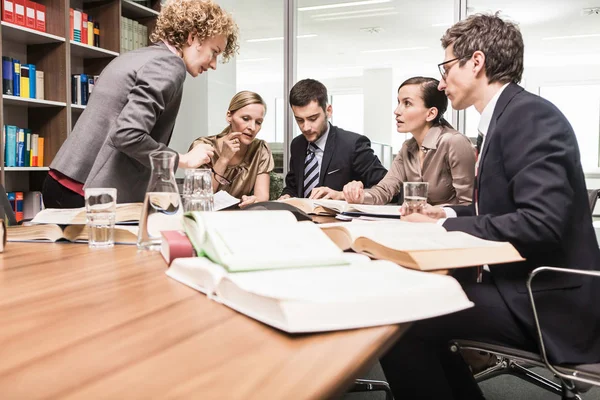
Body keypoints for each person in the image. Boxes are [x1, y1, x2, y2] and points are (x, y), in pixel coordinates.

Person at [380, 13, 600, 400]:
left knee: (403, 316)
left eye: (446, 67)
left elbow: (540, 224)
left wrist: (446, 229)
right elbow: (502, 210)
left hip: (546, 300)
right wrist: (445, 214)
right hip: (523, 285)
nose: (442, 81)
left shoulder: (529, 116)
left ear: (476, 62)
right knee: (414, 296)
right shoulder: (505, 117)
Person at [43, 0, 239, 207]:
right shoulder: (169, 66)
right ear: (193, 37)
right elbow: (127, 134)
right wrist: (183, 159)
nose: (214, 64)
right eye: (214, 52)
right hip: (85, 192)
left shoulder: (137, 56)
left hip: (65, 181)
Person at [343, 76, 475, 206]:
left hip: (450, 225)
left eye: (407, 103)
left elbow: (468, 204)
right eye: (398, 102)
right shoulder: (407, 148)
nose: (397, 111)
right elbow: (384, 190)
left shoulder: (454, 142)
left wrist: (438, 212)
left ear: (431, 113)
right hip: (417, 223)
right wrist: (359, 196)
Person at [278, 79, 387, 200]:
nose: (306, 127)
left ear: (328, 111)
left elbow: (388, 189)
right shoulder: (297, 144)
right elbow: (293, 186)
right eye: (299, 120)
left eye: (313, 118)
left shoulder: (353, 145)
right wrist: (286, 195)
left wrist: (351, 192)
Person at [189, 91, 274, 208]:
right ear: (229, 116)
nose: (252, 127)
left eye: (258, 122)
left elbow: (262, 197)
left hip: (241, 218)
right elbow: (201, 199)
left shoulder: (260, 149)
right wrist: (224, 159)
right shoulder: (202, 147)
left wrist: (252, 200)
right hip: (206, 219)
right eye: (245, 119)